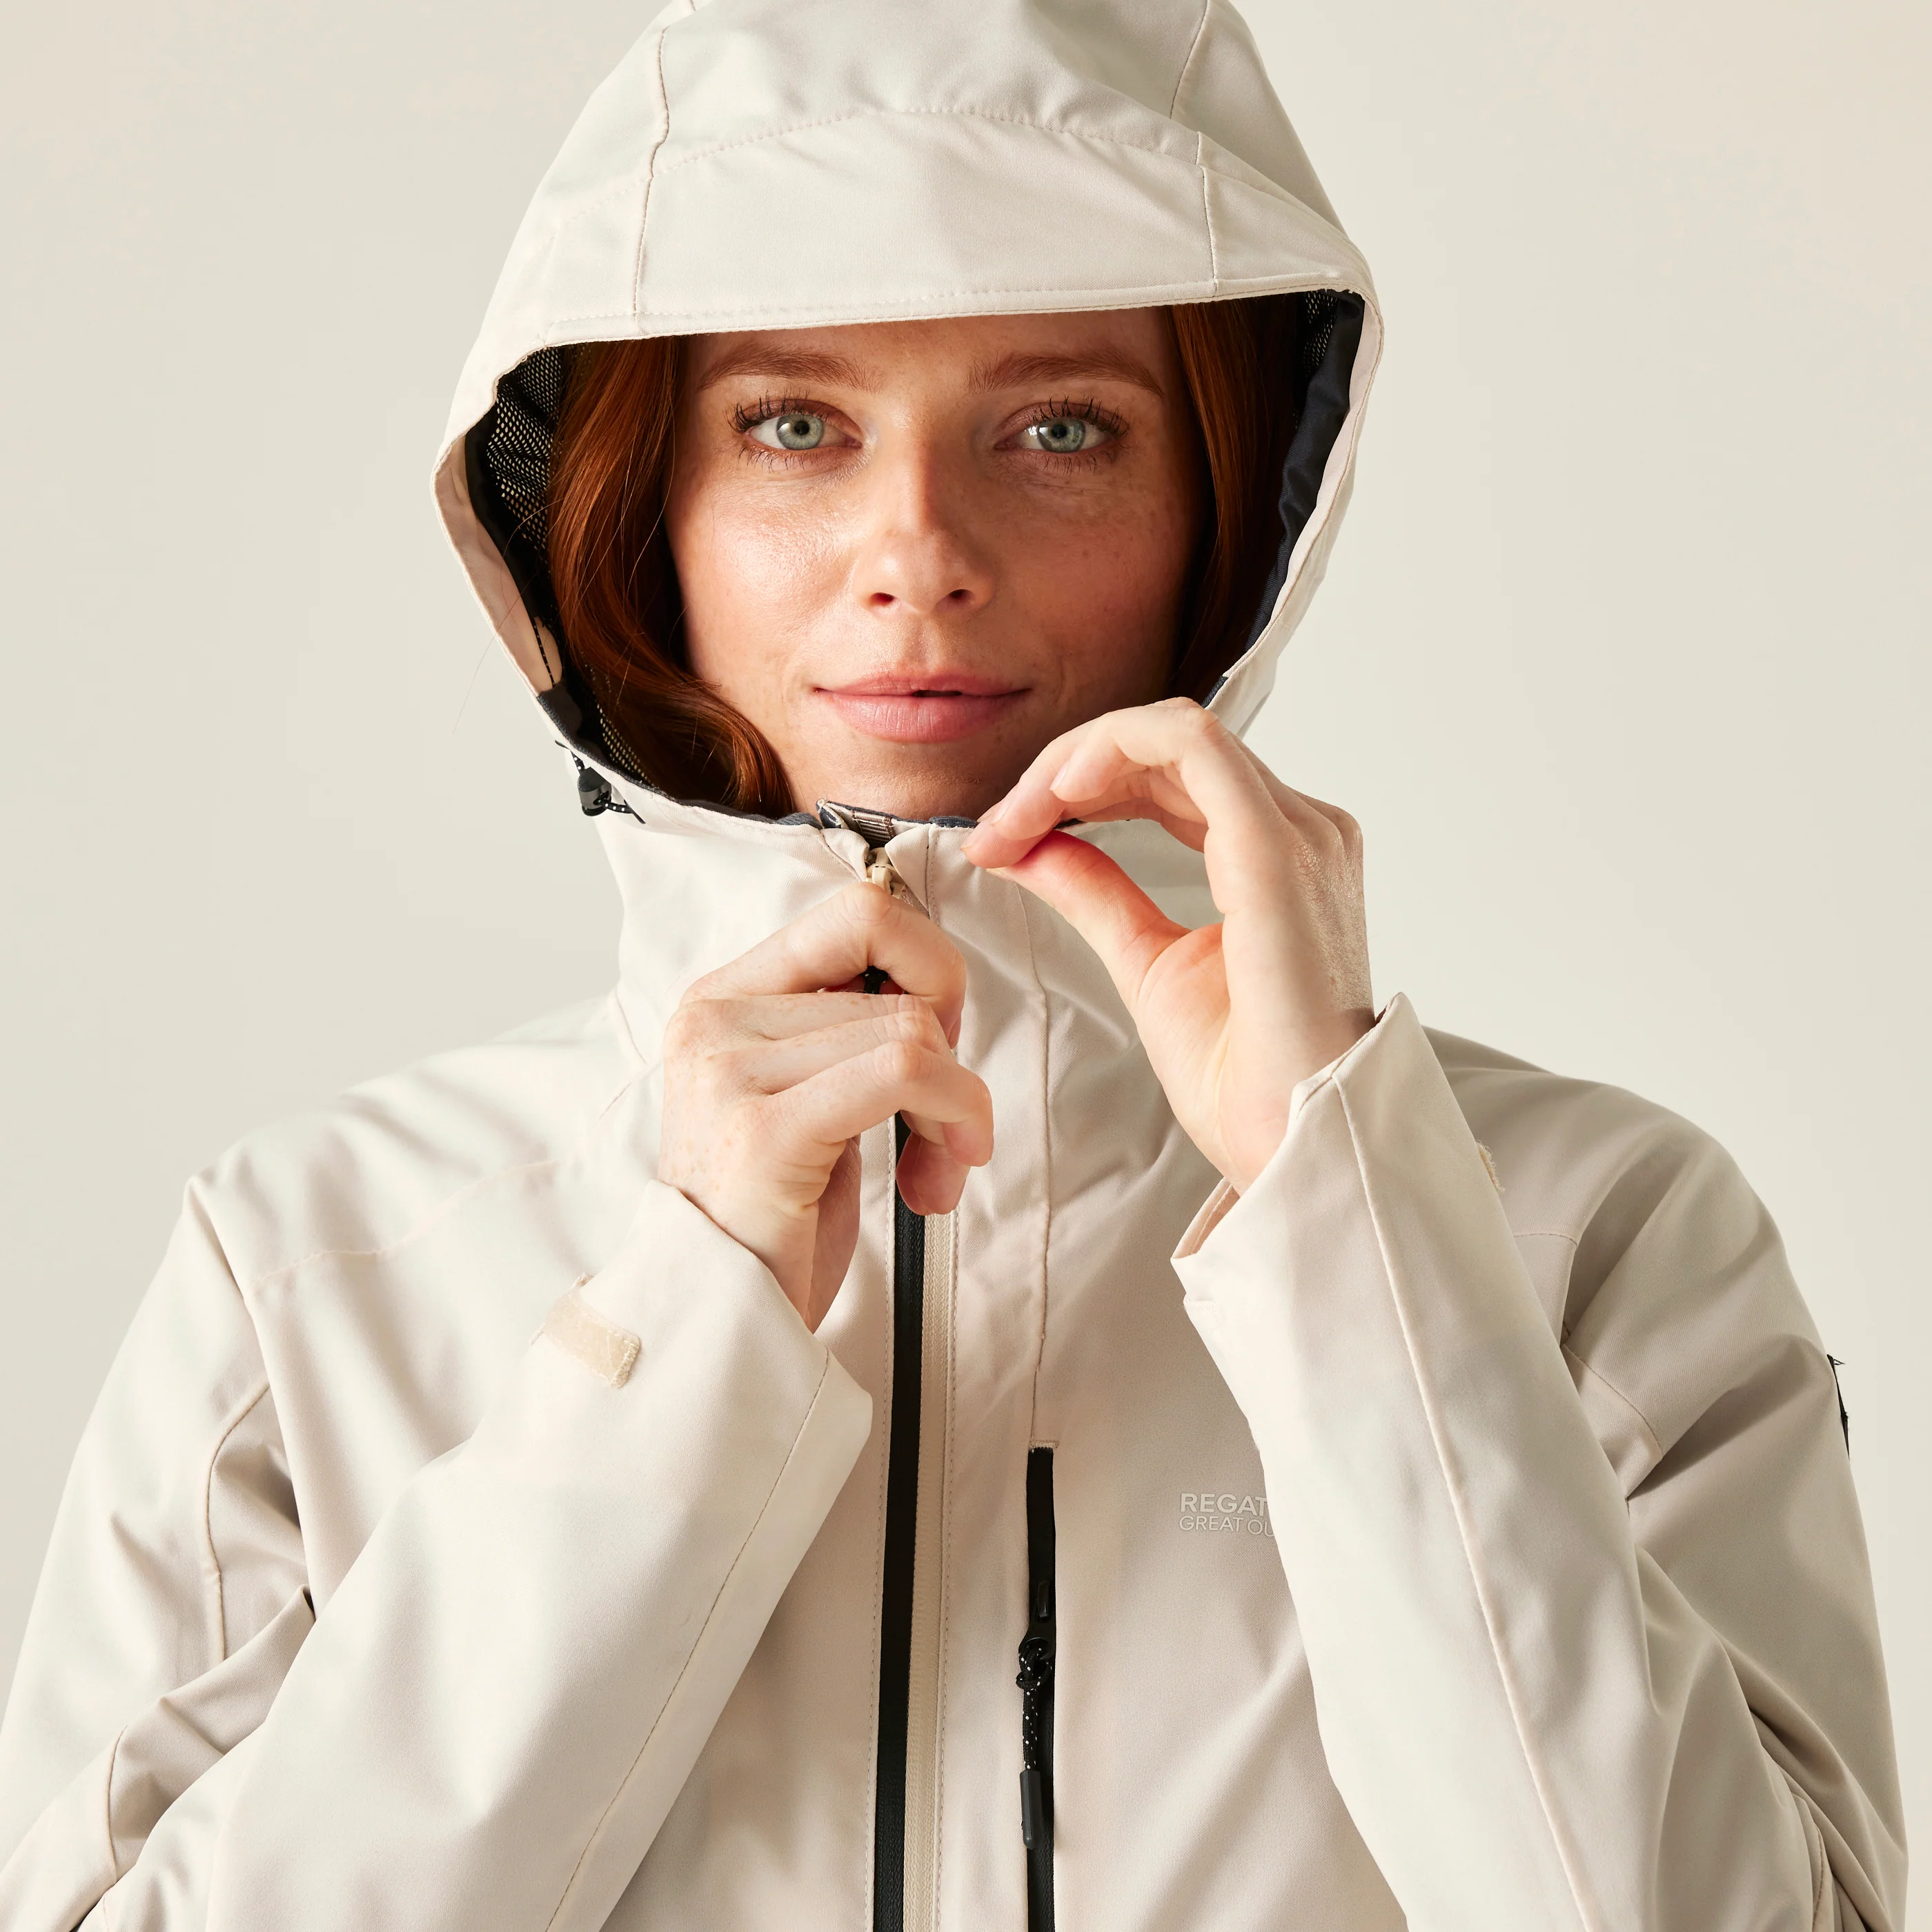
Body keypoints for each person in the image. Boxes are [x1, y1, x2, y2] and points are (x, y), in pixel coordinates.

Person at [0, 0, 1904, 1925]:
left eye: (1061, 427)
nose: (918, 549)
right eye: (793, 425)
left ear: (1230, 507)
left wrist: (1354, 1227)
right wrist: (680, 1336)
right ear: (638, 506)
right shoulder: (310, 1265)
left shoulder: (1595, 1238)